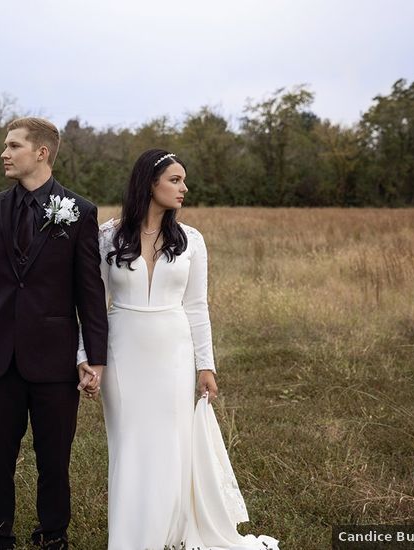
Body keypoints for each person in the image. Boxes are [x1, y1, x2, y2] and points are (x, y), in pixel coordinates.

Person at [77, 149, 280, 549]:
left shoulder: (191, 241)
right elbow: (90, 306)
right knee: (130, 444)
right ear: (149, 184)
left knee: (172, 444)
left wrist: (206, 365)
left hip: (174, 352)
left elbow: (197, 306)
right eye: (175, 180)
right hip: (122, 352)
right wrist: (86, 359)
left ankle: (170, 533)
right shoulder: (107, 236)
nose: (184, 188)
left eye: (183, 180)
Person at [0, 117, 108, 550]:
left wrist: (97, 359)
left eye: (13, 146)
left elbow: (90, 294)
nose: (4, 153)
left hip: (54, 361)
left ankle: (53, 536)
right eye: (5, 146)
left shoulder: (80, 212)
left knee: (55, 459)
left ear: (41, 153)